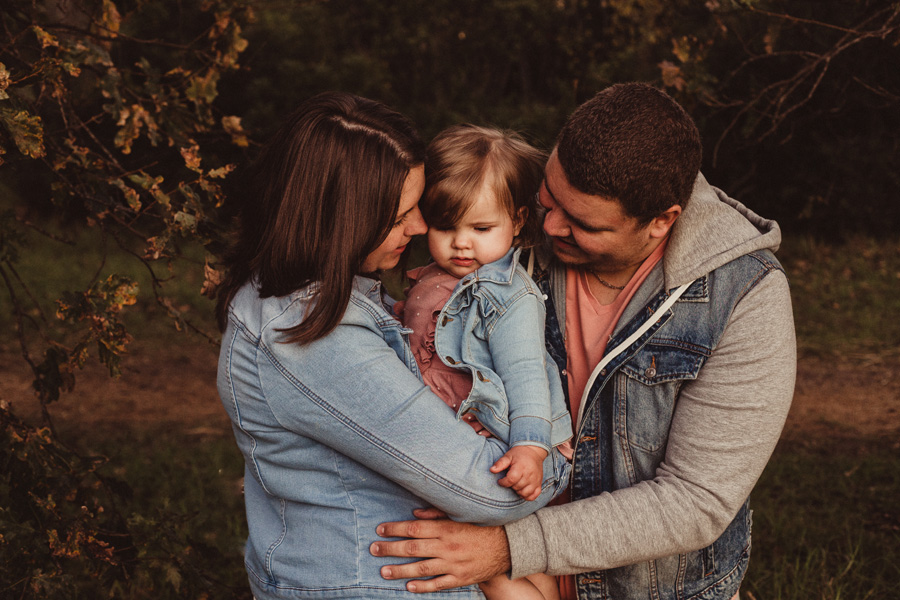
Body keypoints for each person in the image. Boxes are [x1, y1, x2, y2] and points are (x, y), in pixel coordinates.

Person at [370, 83, 797, 600]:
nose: (550, 227)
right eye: (548, 201)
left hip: (646, 587)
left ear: (662, 221)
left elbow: (696, 500)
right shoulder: (504, 235)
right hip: (512, 558)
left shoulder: (742, 296)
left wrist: (506, 546)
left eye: (582, 224)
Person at [214, 92, 571, 600]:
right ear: (343, 219)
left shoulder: (310, 297)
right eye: (401, 215)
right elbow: (487, 491)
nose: (421, 228)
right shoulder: (313, 336)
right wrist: (556, 457)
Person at [400, 125, 574, 600]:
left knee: (488, 568)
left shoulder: (507, 295)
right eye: (445, 227)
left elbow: (526, 374)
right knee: (509, 570)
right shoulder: (432, 278)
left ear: (517, 221)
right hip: (460, 432)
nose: (461, 244)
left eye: (480, 229)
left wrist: (532, 447)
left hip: (502, 440)